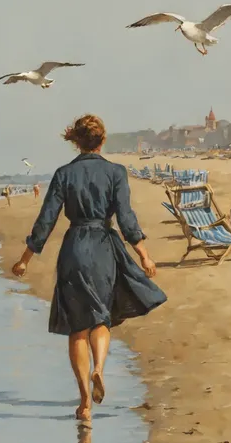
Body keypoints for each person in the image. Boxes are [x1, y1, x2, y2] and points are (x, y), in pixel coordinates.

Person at [12, 114, 166, 426]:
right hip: (103, 249)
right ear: (102, 140)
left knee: (76, 327)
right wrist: (145, 255)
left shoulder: (64, 174)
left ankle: (84, 402)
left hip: (74, 250)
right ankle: (99, 368)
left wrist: (25, 258)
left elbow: (47, 220)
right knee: (101, 319)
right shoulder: (116, 172)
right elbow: (126, 218)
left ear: (76, 142)